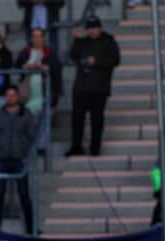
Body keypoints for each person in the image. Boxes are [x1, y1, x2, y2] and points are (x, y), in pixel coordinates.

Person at [65, 16, 119, 157]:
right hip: (81, 86)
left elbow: (115, 60)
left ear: (100, 28)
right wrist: (76, 40)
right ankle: (76, 146)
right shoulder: (83, 42)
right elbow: (73, 56)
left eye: (95, 28)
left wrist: (96, 61)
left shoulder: (108, 40)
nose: (93, 31)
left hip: (99, 88)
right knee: (77, 119)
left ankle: (95, 148)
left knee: (97, 119)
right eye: (90, 29)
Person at [0, 85, 37, 233]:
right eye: (8, 95)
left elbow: (32, 137)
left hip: (19, 160)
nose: (10, 98)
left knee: (24, 194)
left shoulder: (26, 114)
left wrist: (26, 156)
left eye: (13, 95)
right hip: (1, 159)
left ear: (18, 97)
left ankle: (31, 228)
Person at [15, 27, 63, 119]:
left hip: (46, 96)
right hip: (28, 97)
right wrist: (25, 66)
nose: (36, 39)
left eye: (39, 36)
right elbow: (17, 65)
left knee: (45, 128)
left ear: (43, 38)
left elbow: (57, 68)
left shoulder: (50, 52)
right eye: (34, 36)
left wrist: (44, 67)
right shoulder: (25, 52)